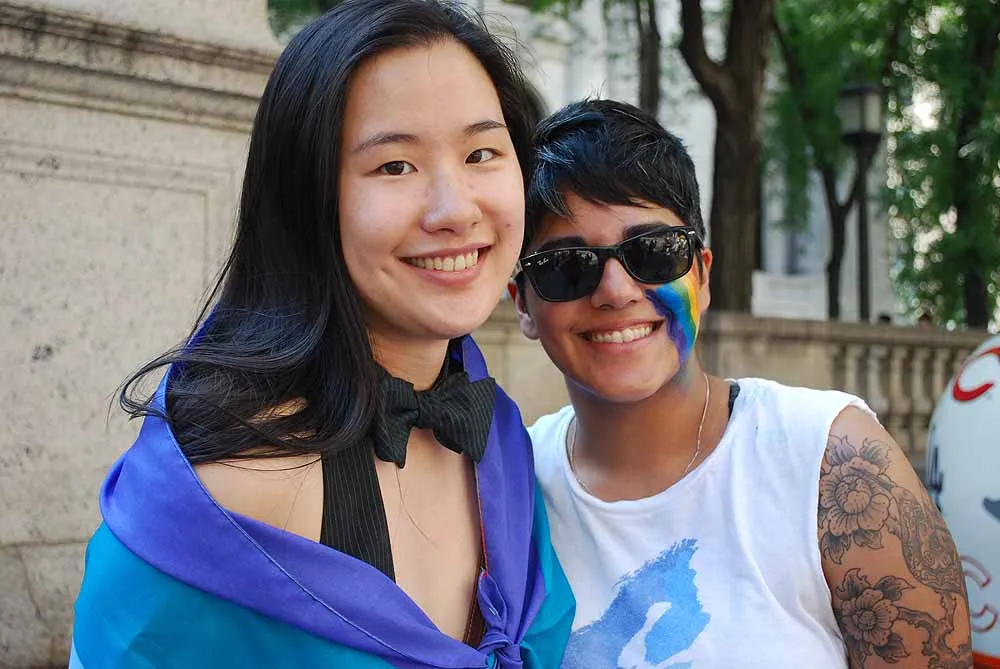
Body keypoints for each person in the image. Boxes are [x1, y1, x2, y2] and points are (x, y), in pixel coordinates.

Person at [70, 2, 573, 666]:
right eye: (394, 166)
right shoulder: (234, 487)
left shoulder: (498, 440)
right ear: (306, 196)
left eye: (481, 153)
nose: (456, 209)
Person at [509, 99, 972, 668]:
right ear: (522, 304)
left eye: (653, 252)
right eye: (567, 265)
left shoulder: (832, 462)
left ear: (702, 275)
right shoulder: (507, 487)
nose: (615, 291)